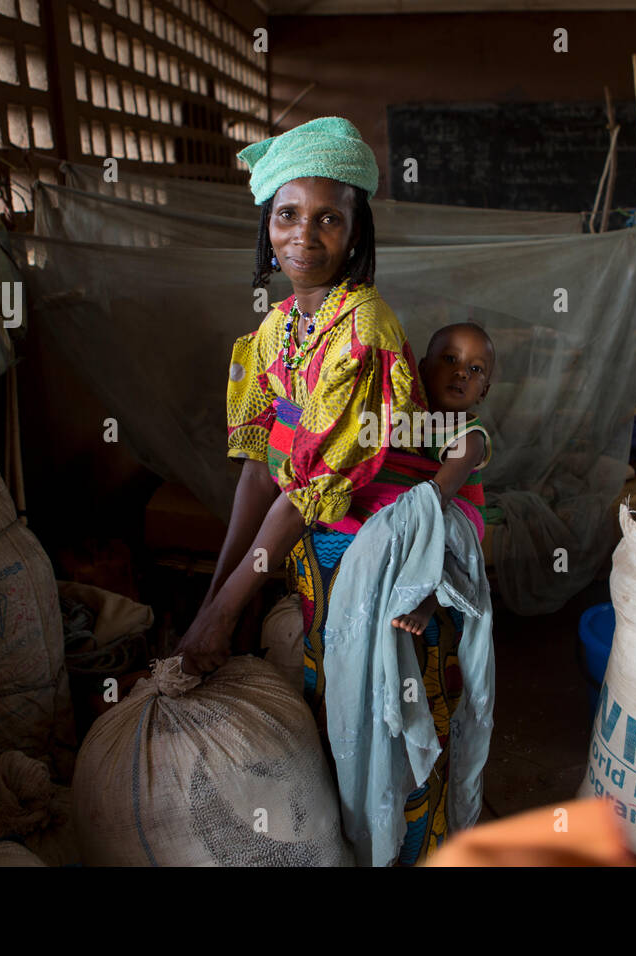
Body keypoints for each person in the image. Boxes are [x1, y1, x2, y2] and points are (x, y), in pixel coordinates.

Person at [176, 116, 471, 863]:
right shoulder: (276, 332)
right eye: (286, 215)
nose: (303, 236)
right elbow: (259, 469)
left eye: (328, 218)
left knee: (392, 722)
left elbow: (307, 491)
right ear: (266, 226)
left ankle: (411, 852)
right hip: (323, 547)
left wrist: (221, 618)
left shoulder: (362, 327)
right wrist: (212, 605)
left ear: (355, 233)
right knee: (331, 715)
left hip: (391, 546)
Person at [391, 323, 494, 636]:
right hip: (425, 499)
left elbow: (439, 494)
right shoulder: (409, 416)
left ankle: (429, 598)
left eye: (475, 369)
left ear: (484, 391)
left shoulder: (470, 437)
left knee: (445, 537)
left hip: (457, 512)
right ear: (423, 368)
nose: (461, 373)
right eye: (450, 360)